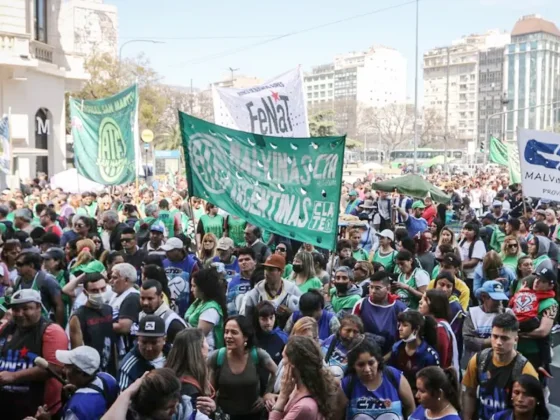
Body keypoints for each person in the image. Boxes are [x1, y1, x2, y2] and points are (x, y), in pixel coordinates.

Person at [0, 289, 69, 419]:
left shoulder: (52, 331)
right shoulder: (8, 327)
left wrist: (14, 376)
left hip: (38, 409)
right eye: (15, 309)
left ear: (38, 307)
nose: (20, 314)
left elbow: (54, 368)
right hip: (7, 406)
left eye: (26, 308)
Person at [462, 313, 539, 420]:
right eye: (495, 336)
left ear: (515, 339)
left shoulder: (525, 370)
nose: (498, 342)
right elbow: (469, 393)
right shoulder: (479, 360)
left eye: (504, 338)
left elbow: (531, 410)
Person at [208, 315, 278, 420]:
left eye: (234, 332)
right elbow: (210, 390)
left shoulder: (257, 355)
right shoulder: (218, 357)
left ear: (246, 336)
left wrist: (266, 395)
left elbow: (276, 372)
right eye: (226, 332)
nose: (228, 336)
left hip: (254, 415)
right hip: (225, 416)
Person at [341, 334, 416, 419]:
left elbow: (411, 408)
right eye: (361, 365)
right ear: (353, 365)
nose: (367, 369)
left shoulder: (394, 376)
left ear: (378, 361)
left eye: (371, 363)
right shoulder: (347, 384)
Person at [270, 336, 339, 420]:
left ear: (292, 363)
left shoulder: (304, 407)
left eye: (284, 357)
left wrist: (281, 399)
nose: (282, 362)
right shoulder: (300, 387)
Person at [509, 267, 556, 378]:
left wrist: (520, 334)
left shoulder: (550, 303)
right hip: (516, 348)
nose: (537, 282)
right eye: (537, 278)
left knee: (533, 383)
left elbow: (542, 332)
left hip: (533, 351)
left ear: (550, 286)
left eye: (543, 281)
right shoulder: (525, 294)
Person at [102, 368, 196, 420]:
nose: (175, 411)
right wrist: (127, 393)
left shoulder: (184, 411)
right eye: (169, 408)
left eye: (175, 404)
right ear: (151, 410)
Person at [53, 345, 119, 419]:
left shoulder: (77, 408)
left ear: (80, 373)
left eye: (68, 366)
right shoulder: (108, 379)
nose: (63, 370)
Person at [68, 273, 115, 374]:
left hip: (109, 368)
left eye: (103, 289)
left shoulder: (108, 309)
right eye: (94, 290)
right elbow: (77, 352)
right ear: (85, 292)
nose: (100, 293)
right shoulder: (78, 316)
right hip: (91, 370)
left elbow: (112, 341)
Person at [165, 328, 217, 418]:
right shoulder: (189, 388)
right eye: (205, 342)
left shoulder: (168, 376)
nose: (208, 346)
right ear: (199, 349)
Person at [352, 271, 407, 354]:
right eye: (371, 287)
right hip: (364, 351)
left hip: (390, 353)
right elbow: (353, 330)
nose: (373, 291)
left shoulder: (400, 308)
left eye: (377, 288)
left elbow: (404, 340)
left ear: (388, 289)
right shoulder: (361, 304)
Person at [241, 254, 301, 329]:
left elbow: (302, 317)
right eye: (265, 268)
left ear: (281, 272)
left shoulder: (293, 290)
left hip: (286, 337)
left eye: (271, 269)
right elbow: (247, 321)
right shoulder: (254, 294)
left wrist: (291, 314)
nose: (266, 272)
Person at [389, 310, 440, 394]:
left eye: (405, 325)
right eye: (399, 325)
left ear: (416, 329)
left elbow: (433, 385)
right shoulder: (396, 349)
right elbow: (391, 375)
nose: (400, 328)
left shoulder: (429, 356)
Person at [463, 280, 511, 362]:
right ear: (484, 297)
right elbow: (468, 340)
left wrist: (501, 315)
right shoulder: (472, 313)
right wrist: (492, 341)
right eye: (495, 299)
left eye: (500, 299)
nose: (499, 302)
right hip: (476, 361)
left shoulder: (507, 313)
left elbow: (510, 337)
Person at [13, 250, 65, 325]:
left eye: (19, 264)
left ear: (31, 265)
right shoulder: (18, 281)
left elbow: (59, 305)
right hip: (24, 326)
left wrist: (58, 327)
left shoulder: (47, 280)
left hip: (43, 326)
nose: (15, 266)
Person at [117, 315, 167, 391]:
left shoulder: (173, 356)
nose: (149, 348)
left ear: (164, 340)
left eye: (154, 343)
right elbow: (124, 398)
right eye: (144, 342)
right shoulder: (128, 367)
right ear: (138, 340)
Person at [185, 268, 228, 351]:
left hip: (207, 352)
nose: (191, 289)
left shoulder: (211, 310)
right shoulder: (199, 301)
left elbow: (199, 336)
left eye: (194, 286)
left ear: (203, 288)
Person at [418, 290, 459, 372]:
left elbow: (441, 361)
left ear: (435, 304)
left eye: (425, 299)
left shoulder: (439, 329)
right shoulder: (427, 323)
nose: (420, 301)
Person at [138, 279, 186, 348]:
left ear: (161, 297)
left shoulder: (172, 322)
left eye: (150, 299)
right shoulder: (142, 315)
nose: (145, 303)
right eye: (142, 298)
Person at [108, 262, 141, 358]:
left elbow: (124, 327)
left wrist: (101, 324)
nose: (110, 281)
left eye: (115, 278)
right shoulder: (116, 294)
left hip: (126, 349)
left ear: (126, 280)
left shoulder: (132, 297)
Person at [161, 237, 199, 317]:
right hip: (166, 306)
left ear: (179, 250)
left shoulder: (192, 264)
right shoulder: (164, 263)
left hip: (186, 307)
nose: (167, 253)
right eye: (166, 251)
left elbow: (197, 286)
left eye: (170, 251)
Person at [254, 301, 289, 366]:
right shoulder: (251, 339)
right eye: (264, 319)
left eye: (271, 318)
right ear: (257, 319)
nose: (268, 322)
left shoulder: (283, 338)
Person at [227, 247, 256, 316]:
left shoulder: (262, 279)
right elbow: (230, 305)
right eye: (240, 260)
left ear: (255, 261)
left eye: (247, 259)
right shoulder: (233, 282)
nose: (243, 262)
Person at [459, 222, 487, 291]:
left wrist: (459, 266)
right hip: (463, 275)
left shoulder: (478, 243)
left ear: (475, 232)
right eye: (466, 229)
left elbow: (473, 262)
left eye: (469, 229)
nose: (467, 231)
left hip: (473, 276)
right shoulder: (462, 241)